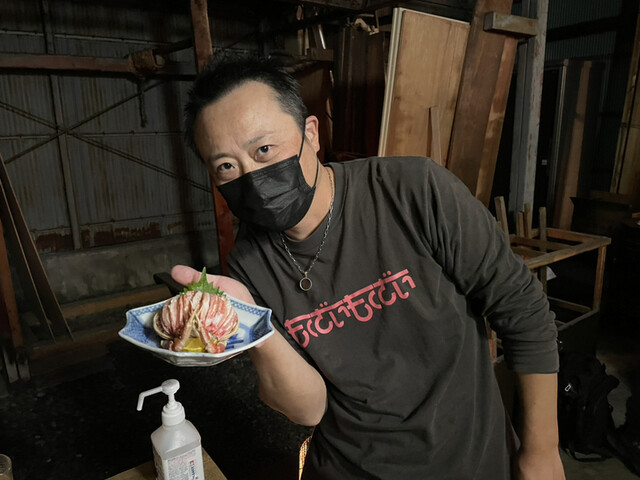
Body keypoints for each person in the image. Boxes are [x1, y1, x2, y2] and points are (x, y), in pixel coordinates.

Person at [172, 54, 566, 480]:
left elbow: (522, 310)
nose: (251, 176)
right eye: (226, 166)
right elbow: (308, 410)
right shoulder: (249, 265)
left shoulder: (413, 191)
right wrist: (254, 327)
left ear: (310, 133)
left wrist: (541, 450)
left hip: (471, 463)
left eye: (264, 149)